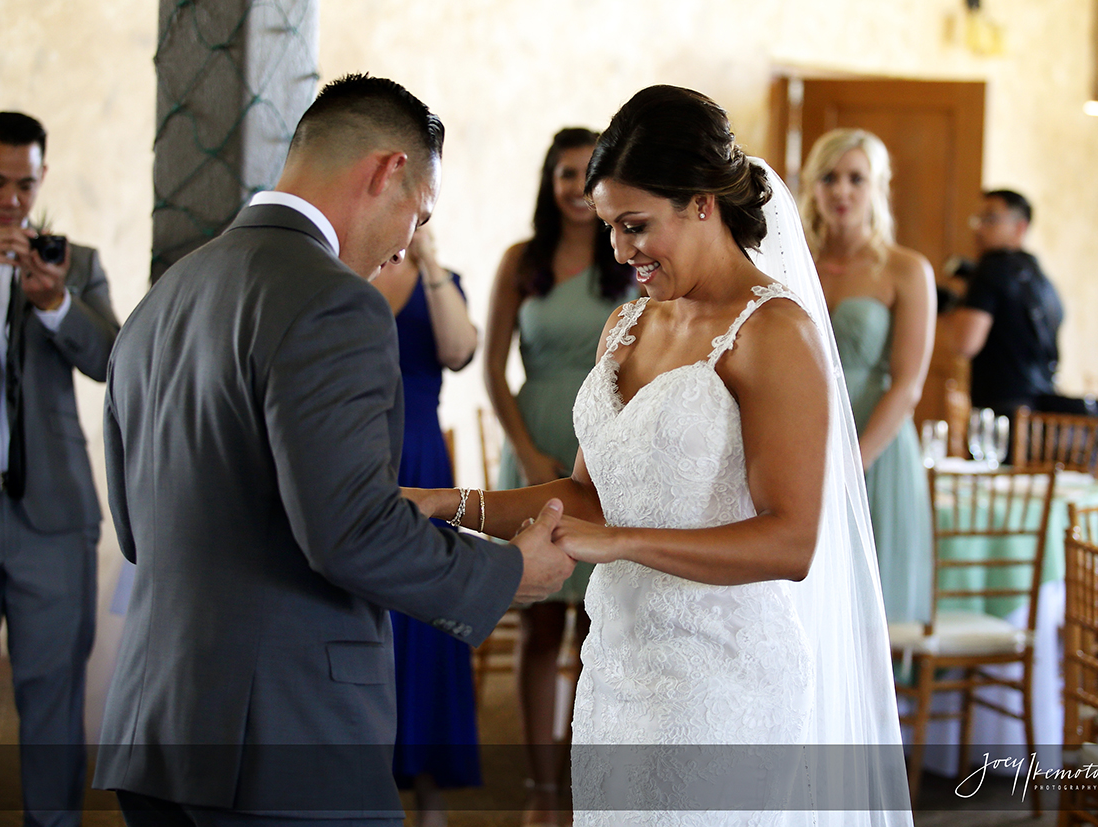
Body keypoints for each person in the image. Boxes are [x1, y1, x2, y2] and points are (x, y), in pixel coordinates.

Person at [408, 86, 910, 826]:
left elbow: (792, 540)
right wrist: (447, 503)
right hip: (616, 668)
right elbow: (587, 493)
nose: (619, 249)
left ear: (702, 202)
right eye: (611, 226)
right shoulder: (628, 320)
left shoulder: (774, 333)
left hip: (721, 683)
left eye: (636, 225)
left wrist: (615, 545)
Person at [94, 74, 574, 824]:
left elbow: (133, 524)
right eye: (417, 214)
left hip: (154, 730)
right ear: (387, 171)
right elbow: (350, 531)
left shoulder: (168, 293)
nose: (404, 244)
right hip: (283, 735)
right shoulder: (332, 299)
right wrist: (509, 570)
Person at [0, 111, 120, 825]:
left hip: (53, 513)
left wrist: (54, 303)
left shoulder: (75, 259)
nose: (13, 199)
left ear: (42, 178)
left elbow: (113, 360)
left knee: (53, 696)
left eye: (26, 183)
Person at [483, 127, 635, 825]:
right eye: (563, 173)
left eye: (587, 174)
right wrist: (526, 451)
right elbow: (492, 368)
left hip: (605, 450)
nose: (575, 187)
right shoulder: (522, 260)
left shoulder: (629, 262)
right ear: (548, 182)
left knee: (596, 623)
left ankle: (583, 775)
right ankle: (541, 787)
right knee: (541, 621)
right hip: (537, 443)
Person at [798, 128, 935, 625]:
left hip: (873, 446)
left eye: (856, 178)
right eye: (829, 178)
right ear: (812, 186)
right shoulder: (792, 266)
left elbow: (908, 384)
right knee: (804, 604)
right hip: (800, 436)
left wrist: (854, 464)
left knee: (864, 611)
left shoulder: (906, 270)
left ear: (878, 187)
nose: (841, 191)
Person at [373, 226, 479, 827]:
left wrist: (432, 261)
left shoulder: (443, 280)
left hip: (420, 457)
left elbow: (459, 351)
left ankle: (430, 795)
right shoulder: (343, 270)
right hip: (358, 450)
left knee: (425, 614)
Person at [949, 189, 1063, 423]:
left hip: (999, 415)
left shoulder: (991, 269)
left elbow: (965, 343)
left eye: (990, 219)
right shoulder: (1042, 279)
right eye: (978, 219)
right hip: (1039, 416)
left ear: (1020, 227)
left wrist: (948, 310)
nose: (978, 228)